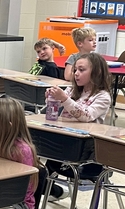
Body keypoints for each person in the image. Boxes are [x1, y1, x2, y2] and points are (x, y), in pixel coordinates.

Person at [44, 53, 114, 190]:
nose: (76, 73)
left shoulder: (103, 96)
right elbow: (55, 109)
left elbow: (86, 116)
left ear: (97, 72)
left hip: (83, 149)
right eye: (75, 70)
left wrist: (64, 99)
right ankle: (50, 189)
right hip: (64, 140)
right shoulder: (72, 90)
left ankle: (54, 190)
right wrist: (52, 98)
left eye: (81, 70)